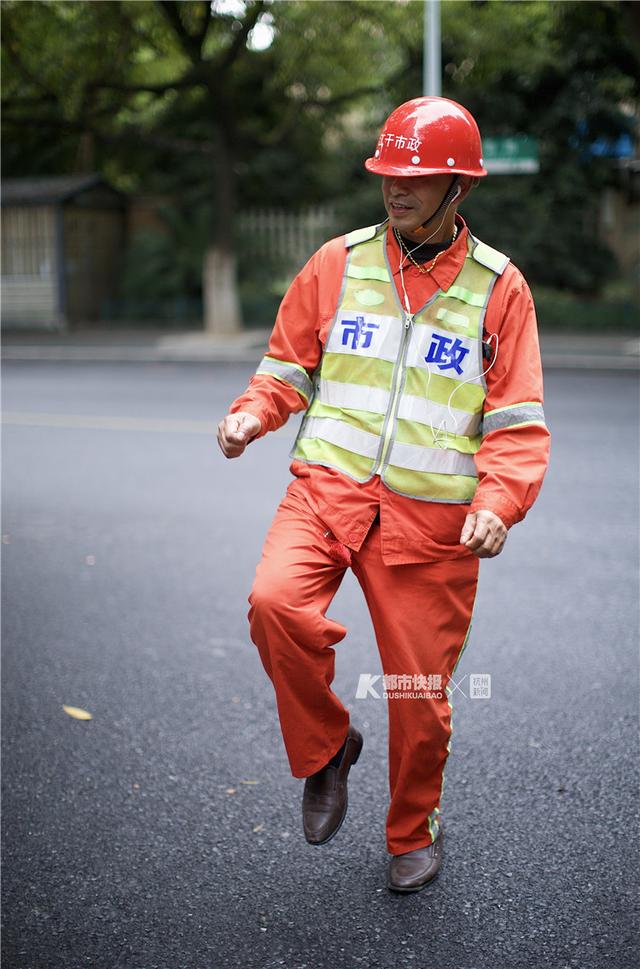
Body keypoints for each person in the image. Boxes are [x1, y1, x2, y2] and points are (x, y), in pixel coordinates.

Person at [217, 96, 550, 893]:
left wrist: (497, 503)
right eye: (388, 174)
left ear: (457, 187)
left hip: (431, 526)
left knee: (417, 697)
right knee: (274, 606)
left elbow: (517, 420)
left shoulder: (500, 291)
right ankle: (329, 746)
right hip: (326, 492)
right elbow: (287, 367)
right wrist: (251, 413)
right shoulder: (338, 262)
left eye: (416, 177)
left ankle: (411, 832)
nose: (396, 190)